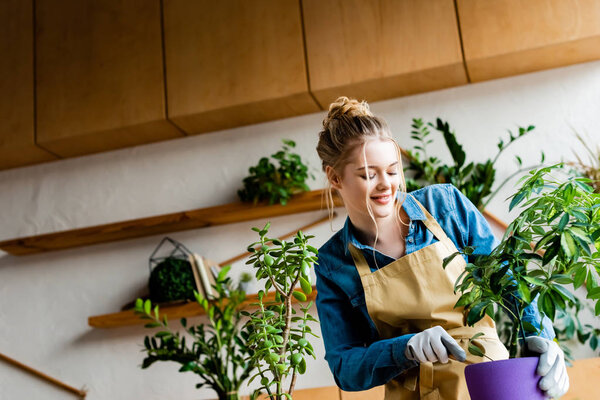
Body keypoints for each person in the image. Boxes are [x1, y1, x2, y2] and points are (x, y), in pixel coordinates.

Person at [314, 96, 569, 399]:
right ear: (334, 177)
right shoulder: (333, 263)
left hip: (485, 382)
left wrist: (541, 337)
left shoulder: (444, 206)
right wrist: (406, 348)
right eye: (369, 174)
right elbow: (344, 366)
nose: (386, 184)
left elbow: (506, 278)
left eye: (393, 171)